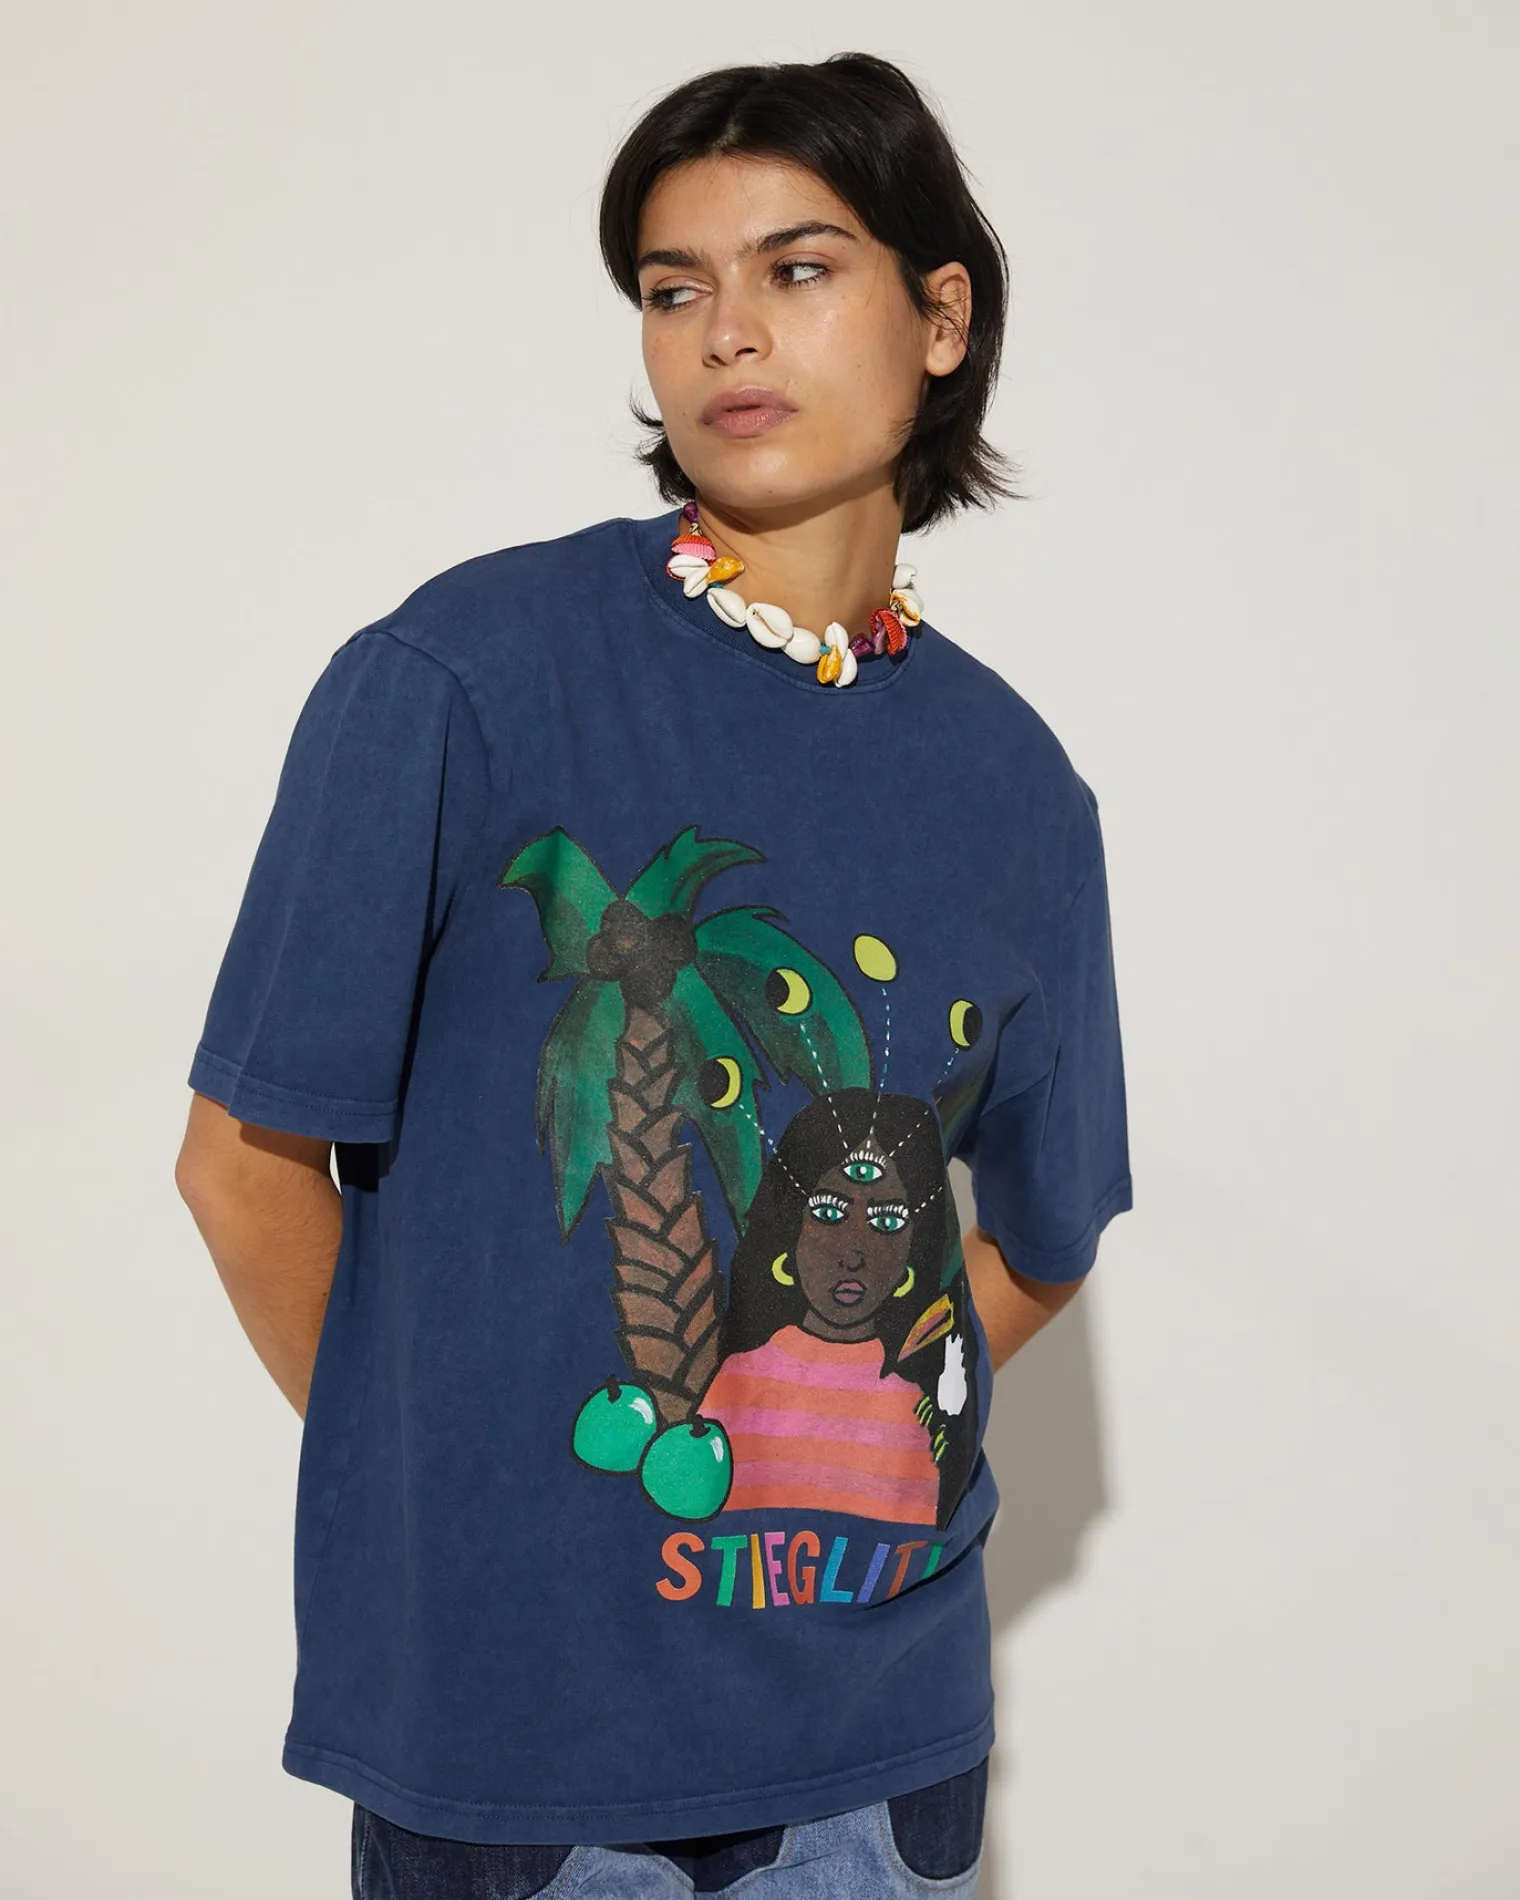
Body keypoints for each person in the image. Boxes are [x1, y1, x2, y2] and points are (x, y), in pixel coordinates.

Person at [175, 50, 1132, 1900]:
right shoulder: (460, 677)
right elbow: (242, 1167)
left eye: (799, 268)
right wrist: (482, 1502)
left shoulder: (1017, 786)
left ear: (942, 319)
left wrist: (822, 1429)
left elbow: (1034, 1240)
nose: (724, 333)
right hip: (522, 1761)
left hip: (879, 1760)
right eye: (674, 288)